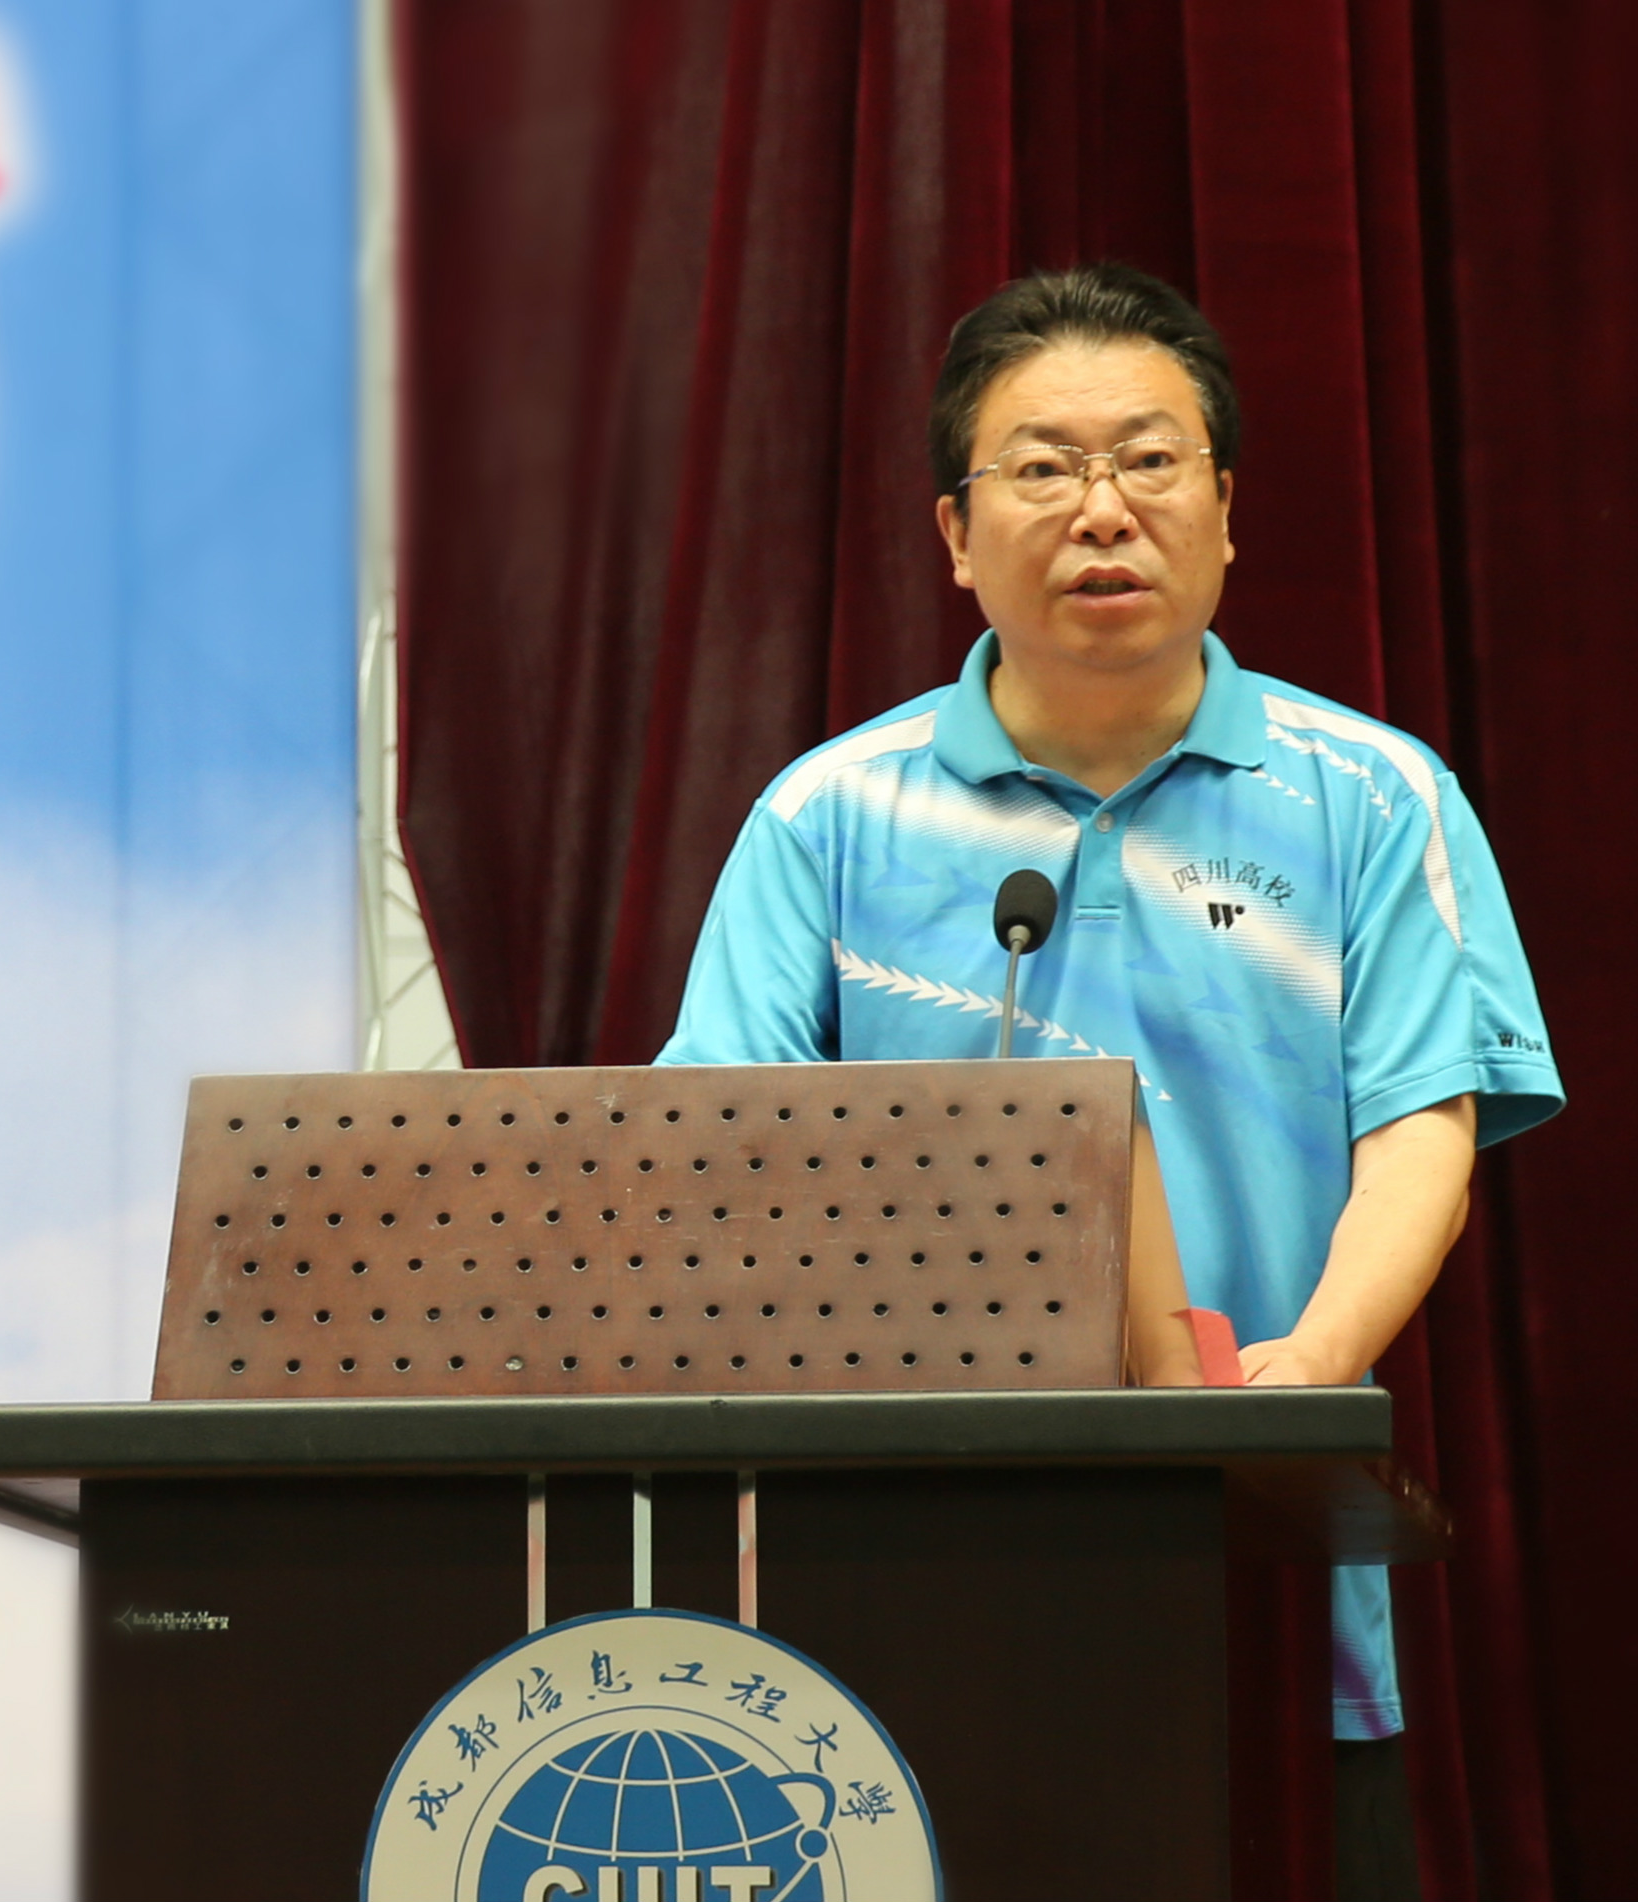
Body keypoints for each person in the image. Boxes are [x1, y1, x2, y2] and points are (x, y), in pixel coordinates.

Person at [657, 261, 1562, 1895]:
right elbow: (720, 1151)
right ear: (955, 533)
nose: (1103, 509)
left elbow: (1424, 1125)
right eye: (1044, 466)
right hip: (901, 1569)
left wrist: (1310, 1372)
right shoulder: (828, 817)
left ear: (1226, 511)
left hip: (1252, 1547)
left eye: (1151, 459)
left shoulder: (1374, 796)